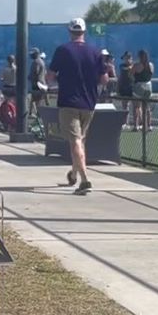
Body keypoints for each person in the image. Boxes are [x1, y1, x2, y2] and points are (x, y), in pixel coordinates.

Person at [47, 18, 108, 194]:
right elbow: (104, 79)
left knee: (75, 141)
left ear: (70, 32)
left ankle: (85, 179)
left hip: (68, 102)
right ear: (84, 32)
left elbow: (50, 76)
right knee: (80, 140)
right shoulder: (95, 52)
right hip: (89, 102)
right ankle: (74, 174)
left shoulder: (63, 50)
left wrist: (59, 80)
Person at [132, 50, 155, 132]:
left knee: (136, 106)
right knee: (147, 107)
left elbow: (131, 74)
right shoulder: (151, 65)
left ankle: (136, 125)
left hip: (138, 86)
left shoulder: (136, 65)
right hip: (148, 86)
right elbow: (151, 74)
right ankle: (149, 125)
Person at [28, 48, 49, 118]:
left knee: (37, 101)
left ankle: (40, 114)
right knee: (34, 99)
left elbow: (36, 72)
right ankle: (32, 113)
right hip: (41, 83)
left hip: (37, 84)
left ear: (36, 54)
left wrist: (30, 77)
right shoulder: (41, 61)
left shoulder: (36, 62)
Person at [117, 52, 135, 122]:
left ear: (131, 58)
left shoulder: (135, 66)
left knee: (136, 106)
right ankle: (125, 122)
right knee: (125, 105)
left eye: (127, 58)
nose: (126, 60)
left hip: (133, 88)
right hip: (124, 88)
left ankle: (137, 123)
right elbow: (124, 69)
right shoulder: (122, 66)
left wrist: (132, 67)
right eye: (125, 58)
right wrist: (118, 89)